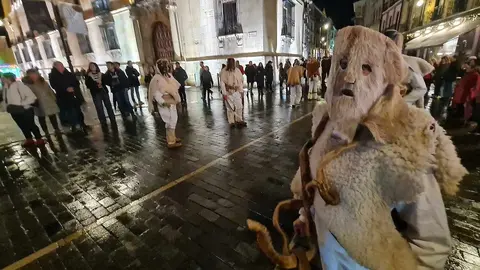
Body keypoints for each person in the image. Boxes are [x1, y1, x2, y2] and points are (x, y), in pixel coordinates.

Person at [248, 26, 466, 270]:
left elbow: (431, 246)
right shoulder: (325, 123)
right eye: (342, 64)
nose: (349, 76)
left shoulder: (404, 147)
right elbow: (312, 186)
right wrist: (306, 218)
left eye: (366, 68)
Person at [384, 29, 433, 108]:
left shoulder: (408, 62)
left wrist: (404, 101)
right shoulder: (379, 61)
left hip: (402, 108)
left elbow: (421, 88)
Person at [1, 73, 44, 146]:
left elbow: (31, 97)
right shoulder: (5, 88)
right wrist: (5, 106)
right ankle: (29, 139)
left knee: (31, 124)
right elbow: (5, 99)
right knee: (22, 125)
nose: (2, 79)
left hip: (26, 109)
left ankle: (39, 139)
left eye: (3, 78)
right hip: (13, 110)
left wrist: (22, 103)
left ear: (8, 79)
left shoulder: (20, 86)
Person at [148, 60, 182, 149]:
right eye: (164, 66)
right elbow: (155, 93)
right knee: (169, 120)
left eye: (167, 66)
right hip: (165, 102)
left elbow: (175, 87)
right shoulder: (156, 79)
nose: (166, 68)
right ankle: (171, 141)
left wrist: (176, 98)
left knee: (174, 120)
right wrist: (163, 103)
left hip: (172, 101)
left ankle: (173, 137)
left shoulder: (169, 76)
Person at [49, 61, 87, 133]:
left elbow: (76, 82)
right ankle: (73, 125)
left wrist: (73, 88)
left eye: (62, 65)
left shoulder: (68, 73)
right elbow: (54, 85)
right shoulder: (53, 75)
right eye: (60, 66)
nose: (62, 67)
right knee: (69, 112)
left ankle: (81, 123)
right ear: (56, 67)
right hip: (63, 97)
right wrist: (65, 89)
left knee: (77, 110)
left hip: (73, 95)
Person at [23, 69, 60, 135]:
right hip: (39, 103)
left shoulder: (43, 81)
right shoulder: (28, 84)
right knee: (41, 118)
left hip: (49, 101)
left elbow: (50, 90)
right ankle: (46, 131)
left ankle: (56, 129)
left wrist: (54, 98)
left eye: (34, 74)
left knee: (52, 116)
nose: (33, 76)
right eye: (31, 74)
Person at [85, 62, 116, 128]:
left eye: (94, 65)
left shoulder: (101, 74)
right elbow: (88, 85)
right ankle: (103, 120)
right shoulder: (88, 75)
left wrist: (103, 81)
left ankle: (112, 118)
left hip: (103, 91)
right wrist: (96, 85)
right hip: (95, 93)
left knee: (108, 105)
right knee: (99, 107)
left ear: (96, 66)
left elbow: (107, 81)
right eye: (91, 66)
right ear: (89, 68)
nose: (92, 67)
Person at [452, 57, 480, 124]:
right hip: (462, 92)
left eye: (472, 61)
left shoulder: (475, 74)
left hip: (467, 93)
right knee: (460, 105)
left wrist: (471, 94)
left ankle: (464, 120)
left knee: (465, 107)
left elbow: (474, 86)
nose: (471, 62)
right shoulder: (469, 72)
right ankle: (459, 117)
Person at [221, 58, 246, 128]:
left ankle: (239, 120)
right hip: (228, 92)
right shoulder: (224, 71)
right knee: (230, 108)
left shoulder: (237, 70)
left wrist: (241, 91)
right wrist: (224, 93)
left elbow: (240, 81)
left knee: (239, 106)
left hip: (236, 91)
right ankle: (231, 122)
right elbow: (222, 83)